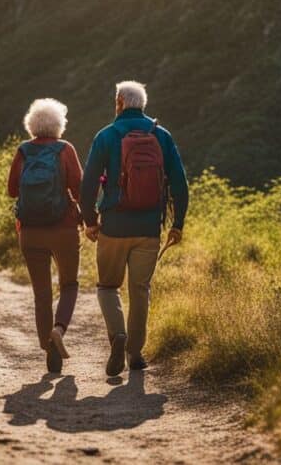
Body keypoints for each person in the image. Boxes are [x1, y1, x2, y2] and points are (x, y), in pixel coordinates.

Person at [80, 81, 188, 377]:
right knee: (140, 289)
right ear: (142, 104)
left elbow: (88, 184)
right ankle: (136, 353)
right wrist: (177, 224)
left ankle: (118, 335)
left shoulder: (106, 135)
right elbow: (180, 183)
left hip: (114, 226)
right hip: (149, 228)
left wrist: (90, 221)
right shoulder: (161, 136)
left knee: (107, 286)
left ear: (119, 103)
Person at [8, 98, 84, 374]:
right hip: (63, 229)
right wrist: (90, 220)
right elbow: (79, 188)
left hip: (29, 232)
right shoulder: (65, 149)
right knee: (69, 284)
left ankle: (47, 347)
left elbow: (12, 191)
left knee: (42, 292)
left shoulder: (23, 151)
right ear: (59, 125)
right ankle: (59, 331)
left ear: (32, 125)